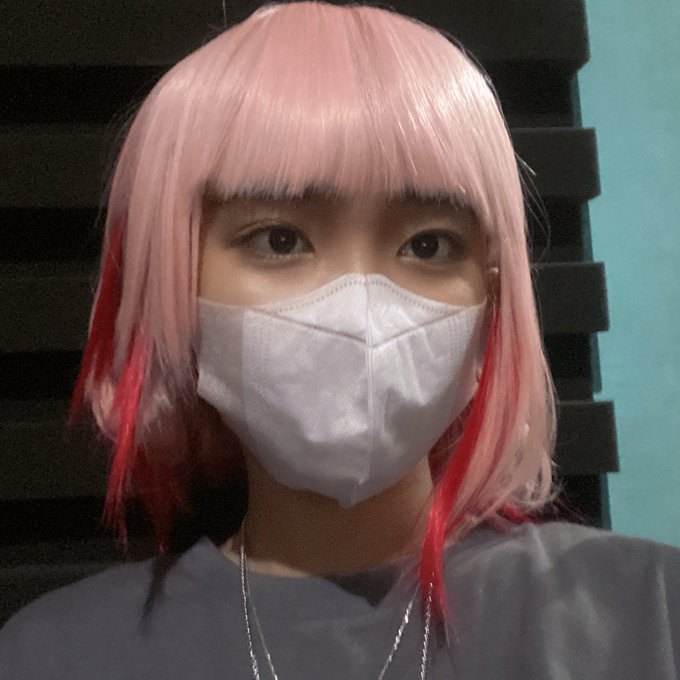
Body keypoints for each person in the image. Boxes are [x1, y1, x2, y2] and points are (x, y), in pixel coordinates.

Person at [1, 2, 678, 678]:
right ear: (175, 275)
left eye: (428, 244)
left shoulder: (648, 613)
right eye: (280, 239)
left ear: (492, 292)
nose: (360, 310)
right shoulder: (57, 655)